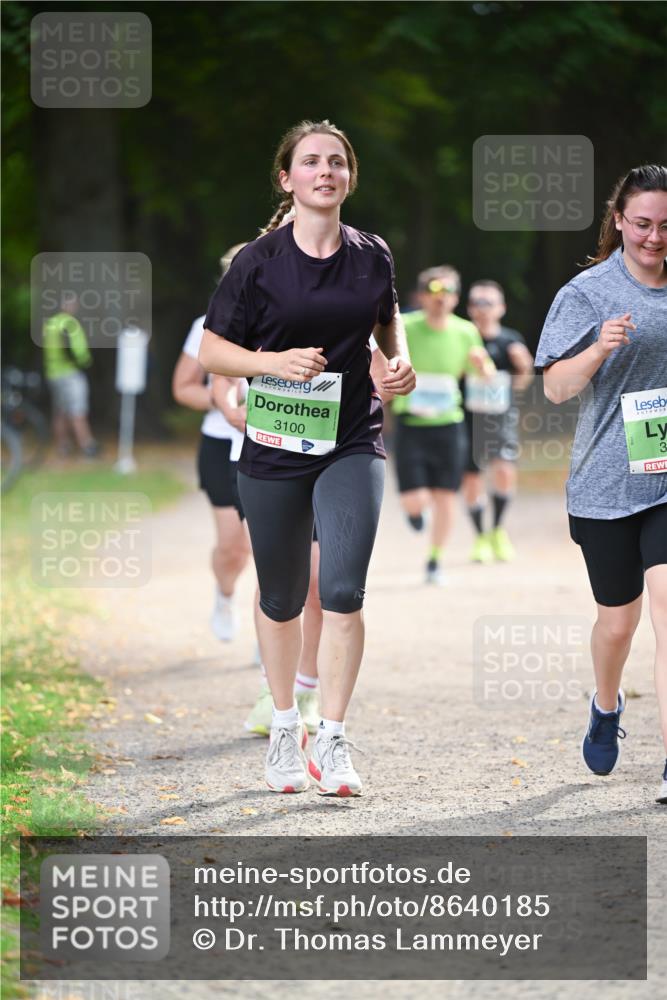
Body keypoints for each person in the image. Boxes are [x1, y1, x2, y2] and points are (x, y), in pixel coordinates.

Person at [199, 119, 415, 797]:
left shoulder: (371, 253)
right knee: (284, 596)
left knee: (343, 589)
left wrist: (396, 361)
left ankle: (335, 738)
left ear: (348, 177)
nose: (325, 172)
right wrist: (273, 363)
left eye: (337, 163)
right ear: (286, 178)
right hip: (273, 445)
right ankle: (285, 733)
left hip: (351, 438)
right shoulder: (256, 263)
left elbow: (385, 321)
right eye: (311, 162)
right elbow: (212, 352)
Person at [535, 164, 667, 804]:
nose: (653, 237)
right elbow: (556, 387)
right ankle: (606, 702)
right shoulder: (588, 292)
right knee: (618, 623)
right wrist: (598, 350)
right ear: (619, 219)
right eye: (642, 223)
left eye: (666, 226)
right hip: (607, 480)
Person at [242, 339, 398, 738]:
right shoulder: (248, 300)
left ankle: (311, 695)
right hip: (270, 455)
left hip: (338, 452)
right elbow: (213, 372)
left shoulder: (351, 300)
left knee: (324, 586)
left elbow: (383, 365)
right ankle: (275, 699)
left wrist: (390, 380)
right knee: (277, 588)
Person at [391, 266, 494, 585]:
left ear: (455, 298)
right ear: (422, 296)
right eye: (434, 292)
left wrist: (483, 367)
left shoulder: (465, 331)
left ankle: (435, 560)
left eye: (448, 293)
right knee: (415, 499)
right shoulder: (404, 326)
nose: (441, 299)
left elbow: (484, 376)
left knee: (446, 496)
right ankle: (414, 512)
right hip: (410, 422)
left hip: (449, 424)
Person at [172, 246, 251, 642]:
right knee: (233, 547)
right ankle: (224, 594)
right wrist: (223, 402)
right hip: (221, 444)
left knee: (267, 547)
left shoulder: (287, 323)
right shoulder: (207, 325)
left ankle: (272, 633)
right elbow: (183, 388)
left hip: (271, 443)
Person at [463, 280, 534, 563]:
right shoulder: (463, 337)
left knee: (504, 470)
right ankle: (480, 536)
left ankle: (498, 530)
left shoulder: (510, 339)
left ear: (501, 308)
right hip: (467, 418)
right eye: (477, 303)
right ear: (469, 308)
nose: (482, 309)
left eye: (488, 303)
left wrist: (524, 366)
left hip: (502, 417)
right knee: (472, 477)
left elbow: (522, 384)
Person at [43, 292, 99, 458]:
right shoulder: (70, 324)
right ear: (67, 305)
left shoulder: (50, 324)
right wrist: (86, 362)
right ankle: (87, 445)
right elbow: (78, 351)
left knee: (60, 411)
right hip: (70, 373)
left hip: (53, 373)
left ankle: (63, 446)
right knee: (78, 410)